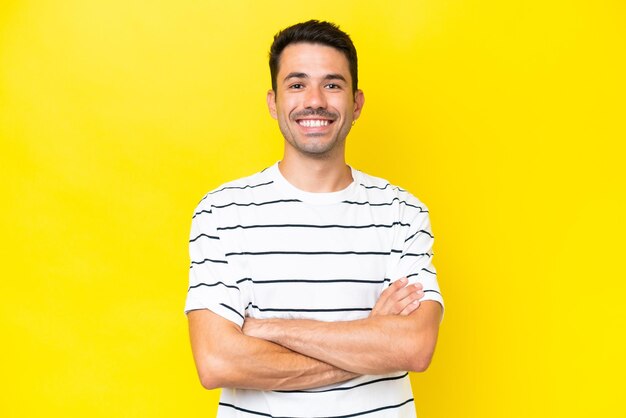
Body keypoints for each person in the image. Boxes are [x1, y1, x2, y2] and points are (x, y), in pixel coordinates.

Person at [185, 20, 444, 418]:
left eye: (333, 84)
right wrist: (370, 344)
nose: (315, 101)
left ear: (356, 103)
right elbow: (219, 362)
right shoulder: (223, 211)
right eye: (297, 84)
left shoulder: (401, 212)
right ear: (273, 102)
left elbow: (413, 348)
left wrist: (269, 329)